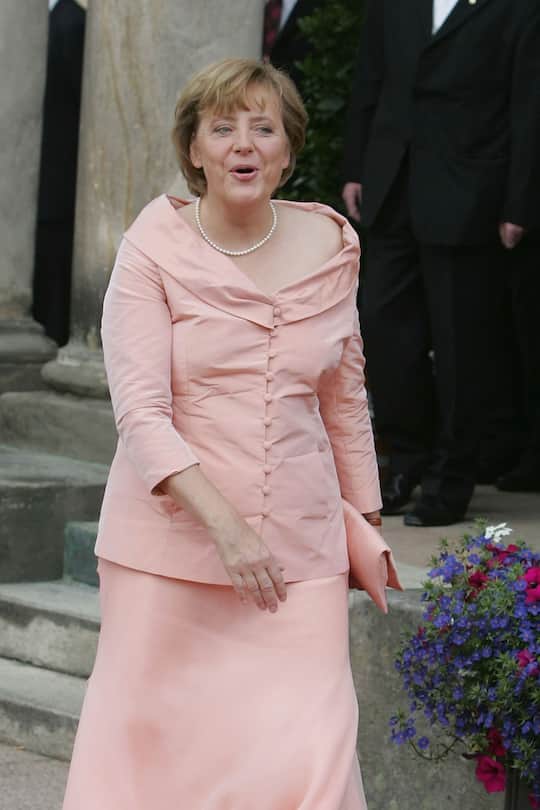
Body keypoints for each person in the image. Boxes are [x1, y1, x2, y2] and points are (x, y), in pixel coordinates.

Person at [62, 58, 393, 809]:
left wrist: (365, 520)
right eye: (222, 128)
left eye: (263, 128)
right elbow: (141, 414)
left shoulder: (333, 246)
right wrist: (230, 531)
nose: (244, 143)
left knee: (311, 756)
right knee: (153, 770)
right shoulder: (151, 249)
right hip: (168, 557)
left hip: (300, 557)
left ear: (288, 150)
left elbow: (344, 397)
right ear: (195, 150)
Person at [342, 0, 540, 526]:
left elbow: (529, 106)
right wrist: (356, 165)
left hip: (471, 194)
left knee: (461, 347)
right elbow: (370, 81)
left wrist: (519, 202)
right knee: (383, 329)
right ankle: (406, 459)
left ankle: (452, 477)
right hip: (392, 186)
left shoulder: (519, 9)